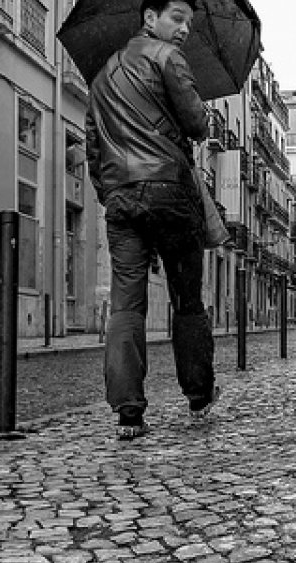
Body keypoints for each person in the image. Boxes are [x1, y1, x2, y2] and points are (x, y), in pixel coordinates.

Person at [85, 0, 219, 440]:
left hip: (121, 201)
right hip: (169, 194)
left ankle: (128, 412)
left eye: (188, 23)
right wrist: (200, 120)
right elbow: (197, 124)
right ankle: (198, 395)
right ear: (150, 18)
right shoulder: (167, 58)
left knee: (126, 306)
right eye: (176, 19)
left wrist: (111, 193)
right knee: (187, 299)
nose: (183, 30)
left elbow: (92, 145)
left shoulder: (102, 76)